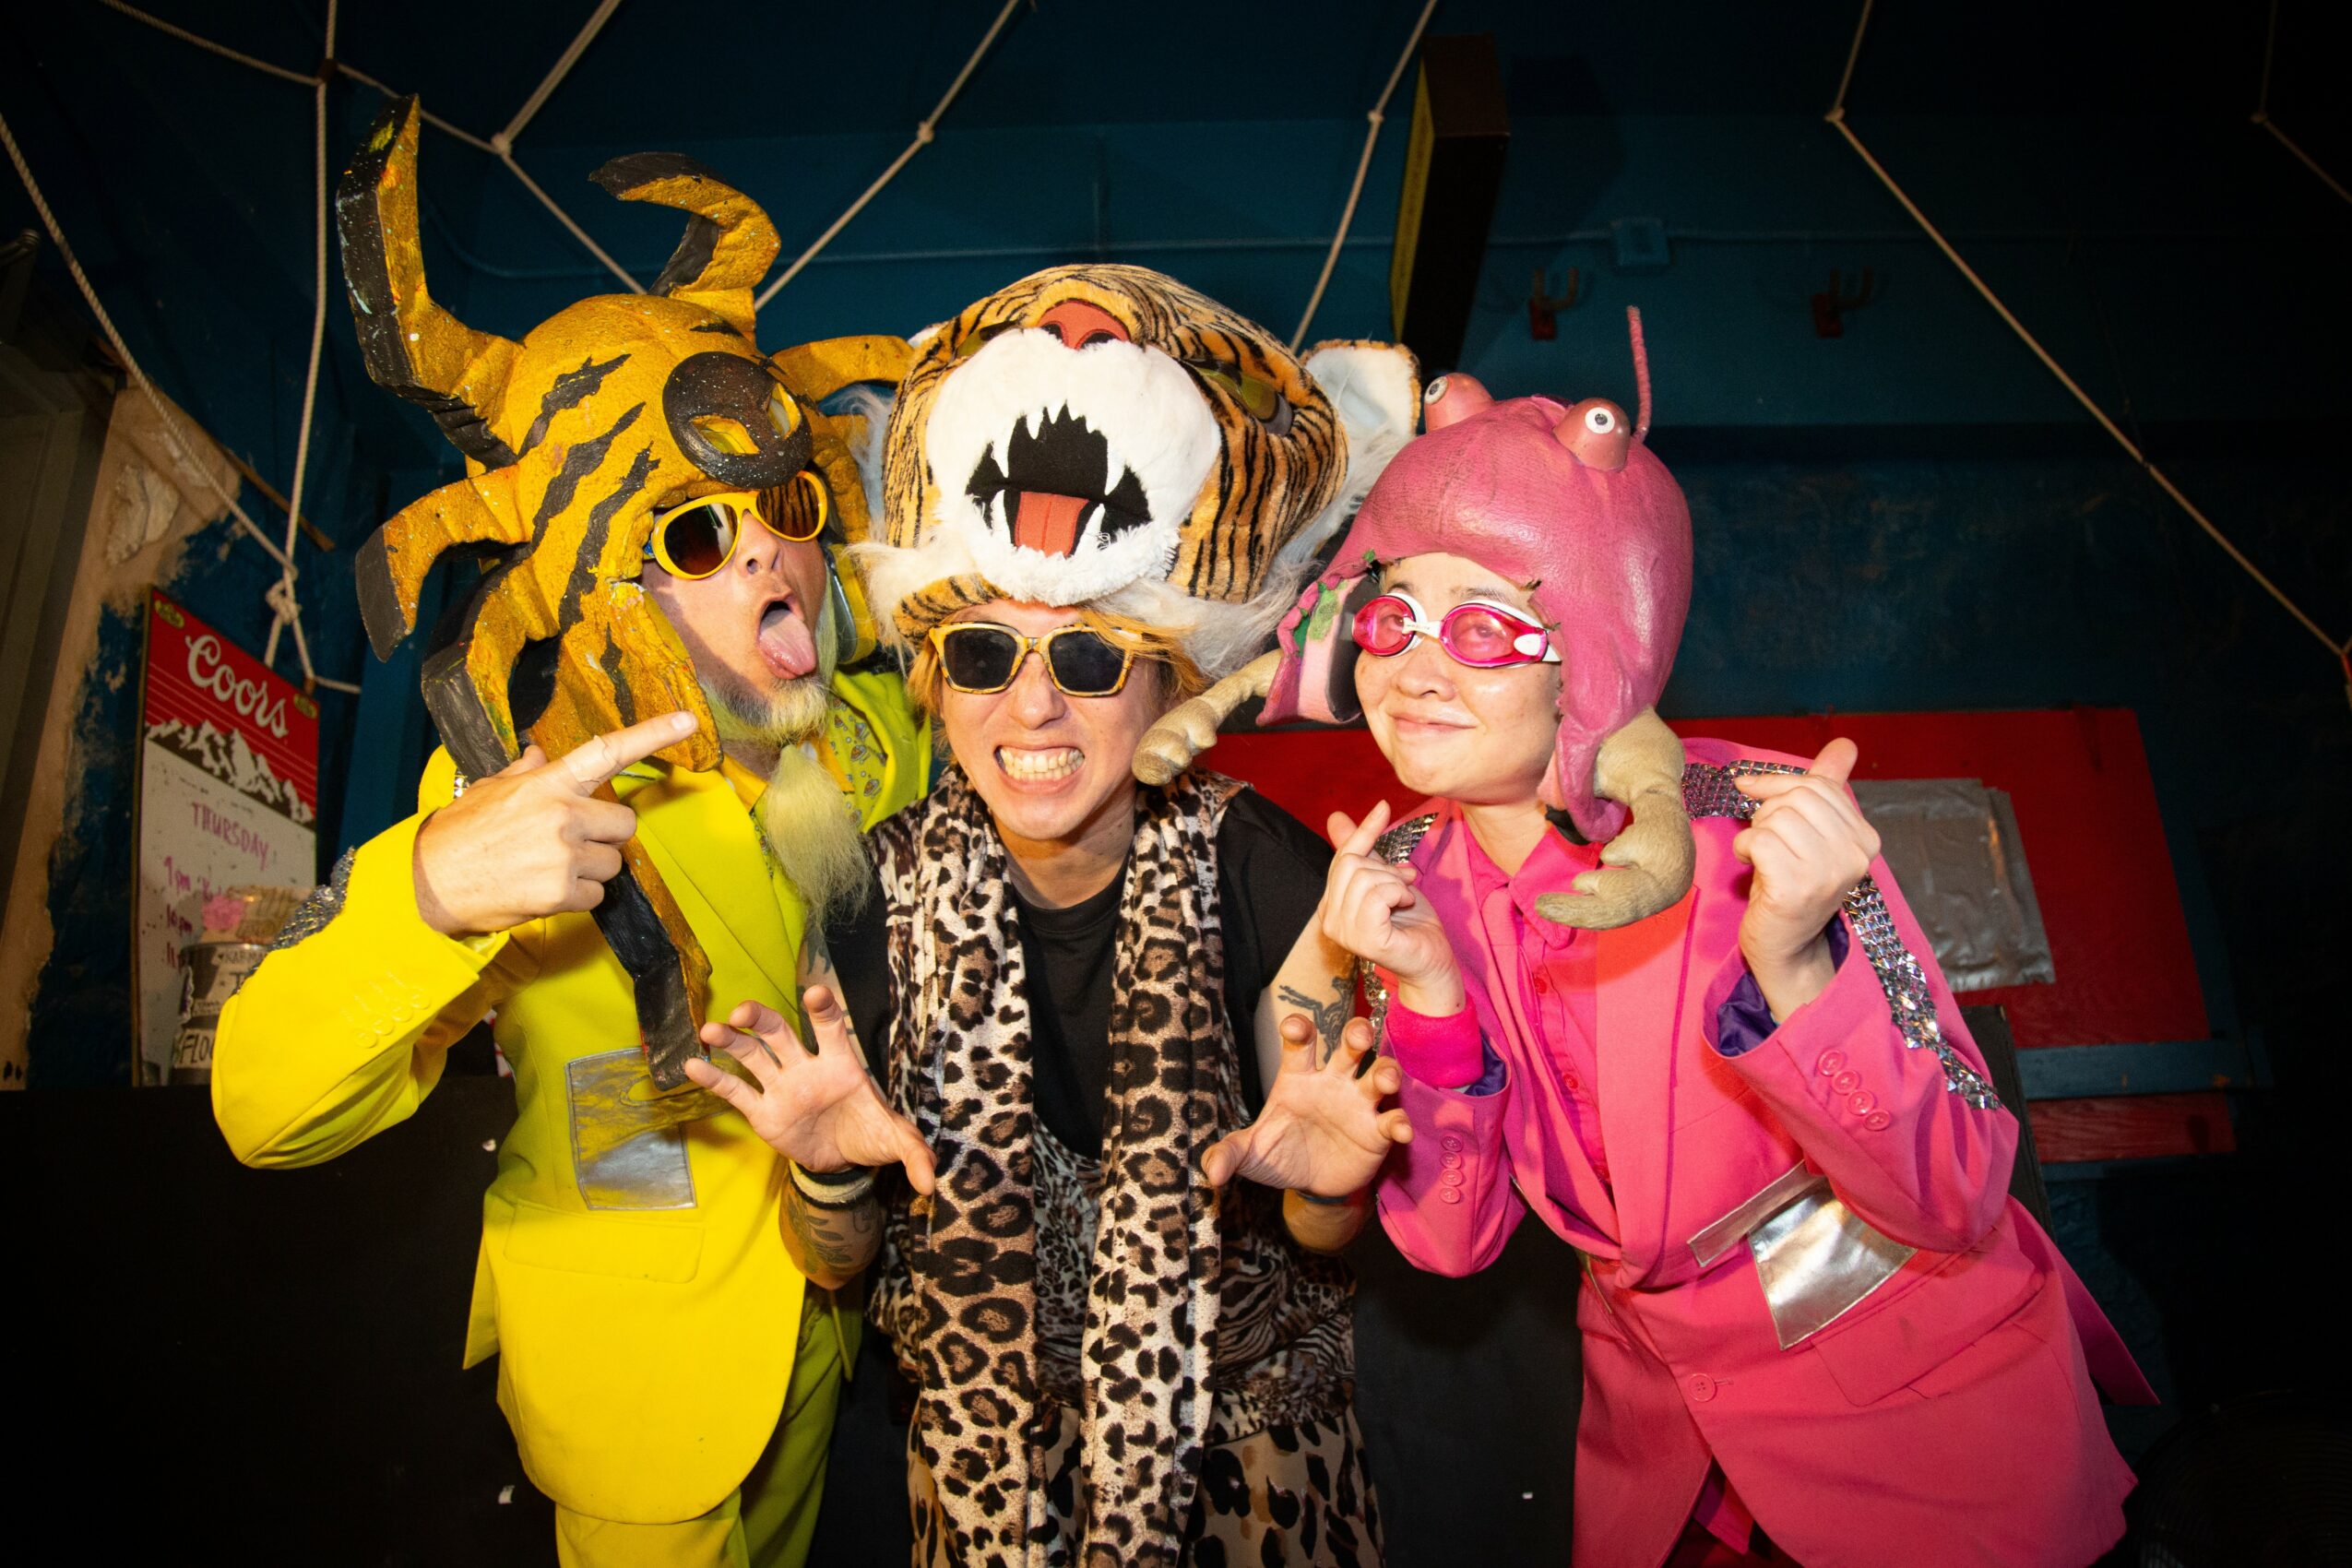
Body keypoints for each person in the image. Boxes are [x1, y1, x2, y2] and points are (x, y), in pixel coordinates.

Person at [1146, 324, 2155, 1568]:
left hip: (1926, 1441)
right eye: (1394, 619)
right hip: (1665, 1465)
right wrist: (1422, 1024)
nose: (1415, 670)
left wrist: (1795, 969)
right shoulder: (1399, 881)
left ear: (1596, 649)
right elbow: (1454, 1241)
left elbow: (1955, 1197)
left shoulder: (1759, 823)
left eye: (1483, 632)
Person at [213, 98, 928, 1568]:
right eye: (693, 535)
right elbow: (263, 1115)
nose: (768, 550)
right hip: (634, 1382)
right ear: (601, 575)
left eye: (784, 505)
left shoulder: (879, 732)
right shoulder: (523, 786)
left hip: (839, 1339)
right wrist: (426, 893)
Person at [704, 265, 1420, 1566]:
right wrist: (824, 1170)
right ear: (935, 686)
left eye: (1087, 660)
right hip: (986, 1476)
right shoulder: (871, 902)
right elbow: (836, 1263)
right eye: (983, 656)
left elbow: (1320, 1225)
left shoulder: (1262, 869)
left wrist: (1335, 1193)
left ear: (1164, 689)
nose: (1031, 708)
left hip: (1253, 1462)